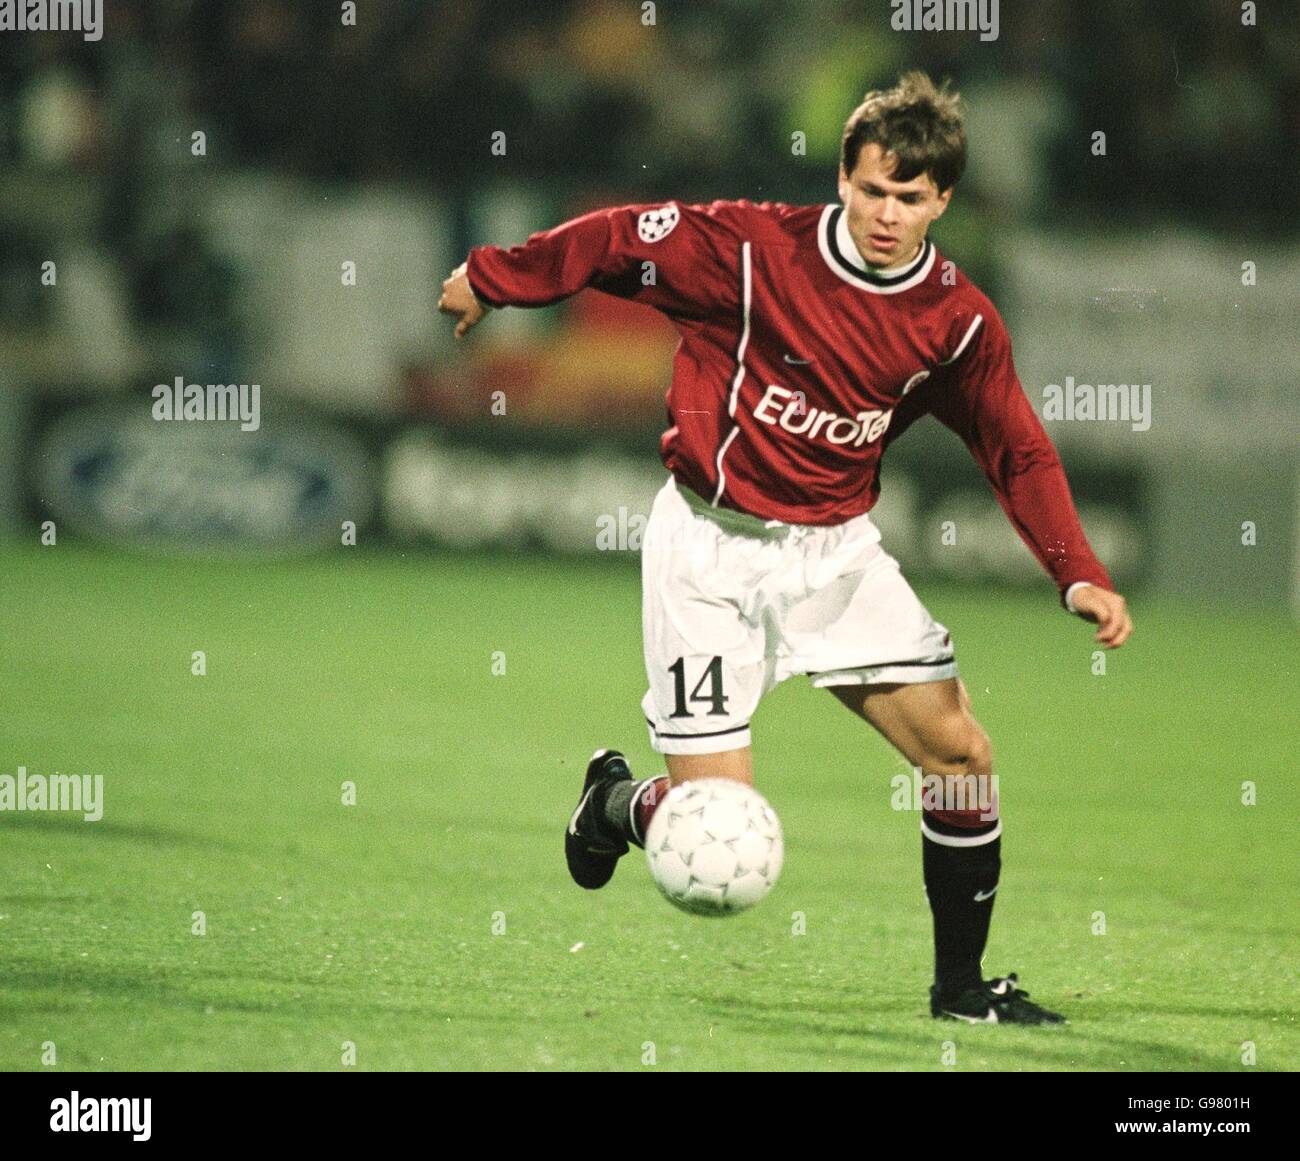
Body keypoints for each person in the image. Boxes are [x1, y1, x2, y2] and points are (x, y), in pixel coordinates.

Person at [438, 71, 1133, 1024]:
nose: (889, 213)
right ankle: (614, 806)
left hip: (835, 561)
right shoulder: (751, 251)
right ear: (843, 177)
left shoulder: (956, 321)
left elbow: (1014, 446)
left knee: (962, 752)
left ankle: (962, 989)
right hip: (709, 558)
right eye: (874, 189)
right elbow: (611, 238)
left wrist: (1078, 573)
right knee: (714, 836)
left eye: (912, 197)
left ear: (944, 201)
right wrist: (497, 276)